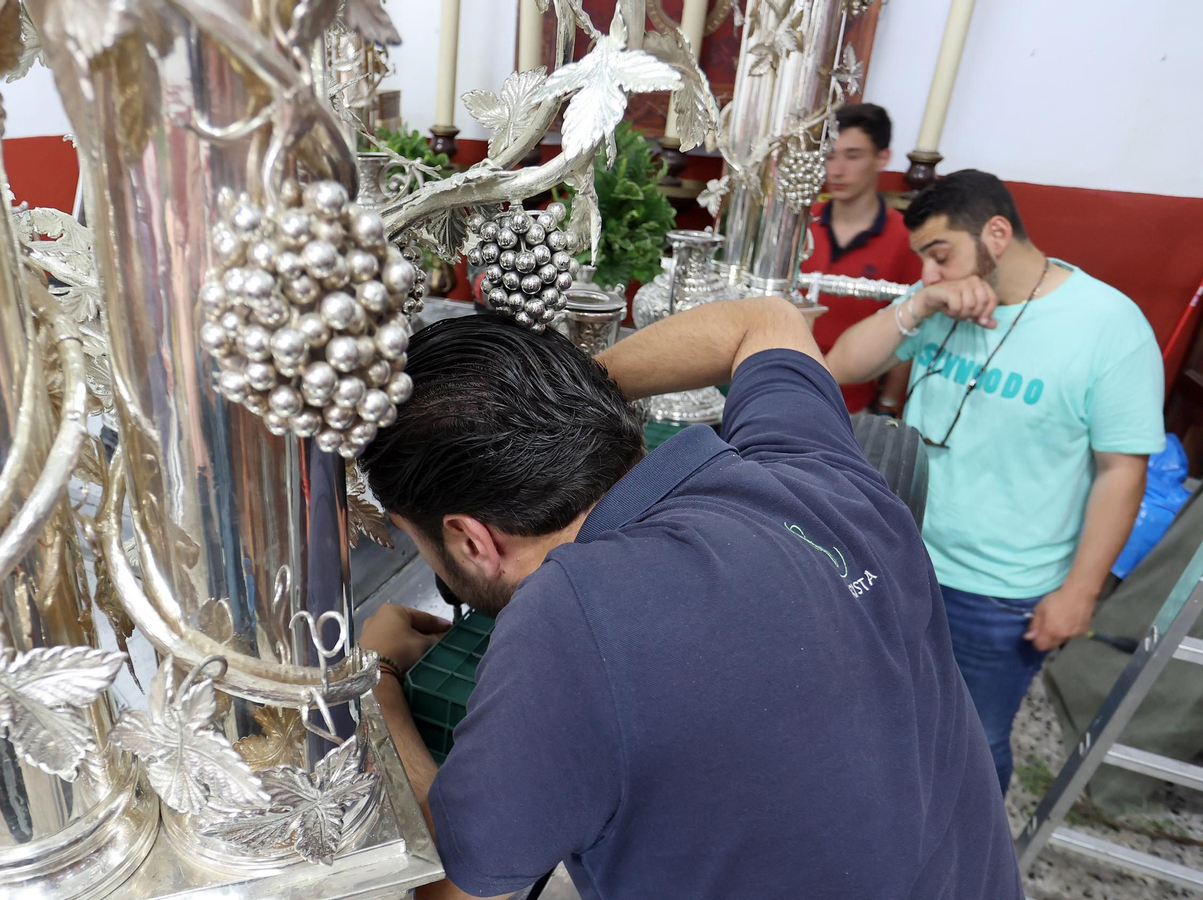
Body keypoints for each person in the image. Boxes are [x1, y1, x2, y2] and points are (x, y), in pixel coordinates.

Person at [357, 301, 1023, 900]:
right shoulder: (815, 469)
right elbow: (764, 320)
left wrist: (376, 685)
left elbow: (457, 888)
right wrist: (558, 403)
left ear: (469, 540)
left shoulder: (571, 616)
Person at [825, 169, 1163, 791]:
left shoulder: (1108, 327)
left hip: (1000, 592)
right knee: (876, 717)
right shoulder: (942, 302)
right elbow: (840, 365)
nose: (930, 271)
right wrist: (919, 303)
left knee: (972, 743)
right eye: (925, 257)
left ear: (997, 233)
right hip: (900, 558)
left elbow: (1122, 472)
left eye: (940, 254)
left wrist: (1080, 594)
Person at [803, 103, 924, 415]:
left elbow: (910, 327)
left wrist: (888, 407)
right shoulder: (799, 223)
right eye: (829, 156)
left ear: (882, 157)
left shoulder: (906, 238)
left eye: (852, 156)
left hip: (849, 407)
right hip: (776, 385)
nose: (837, 170)